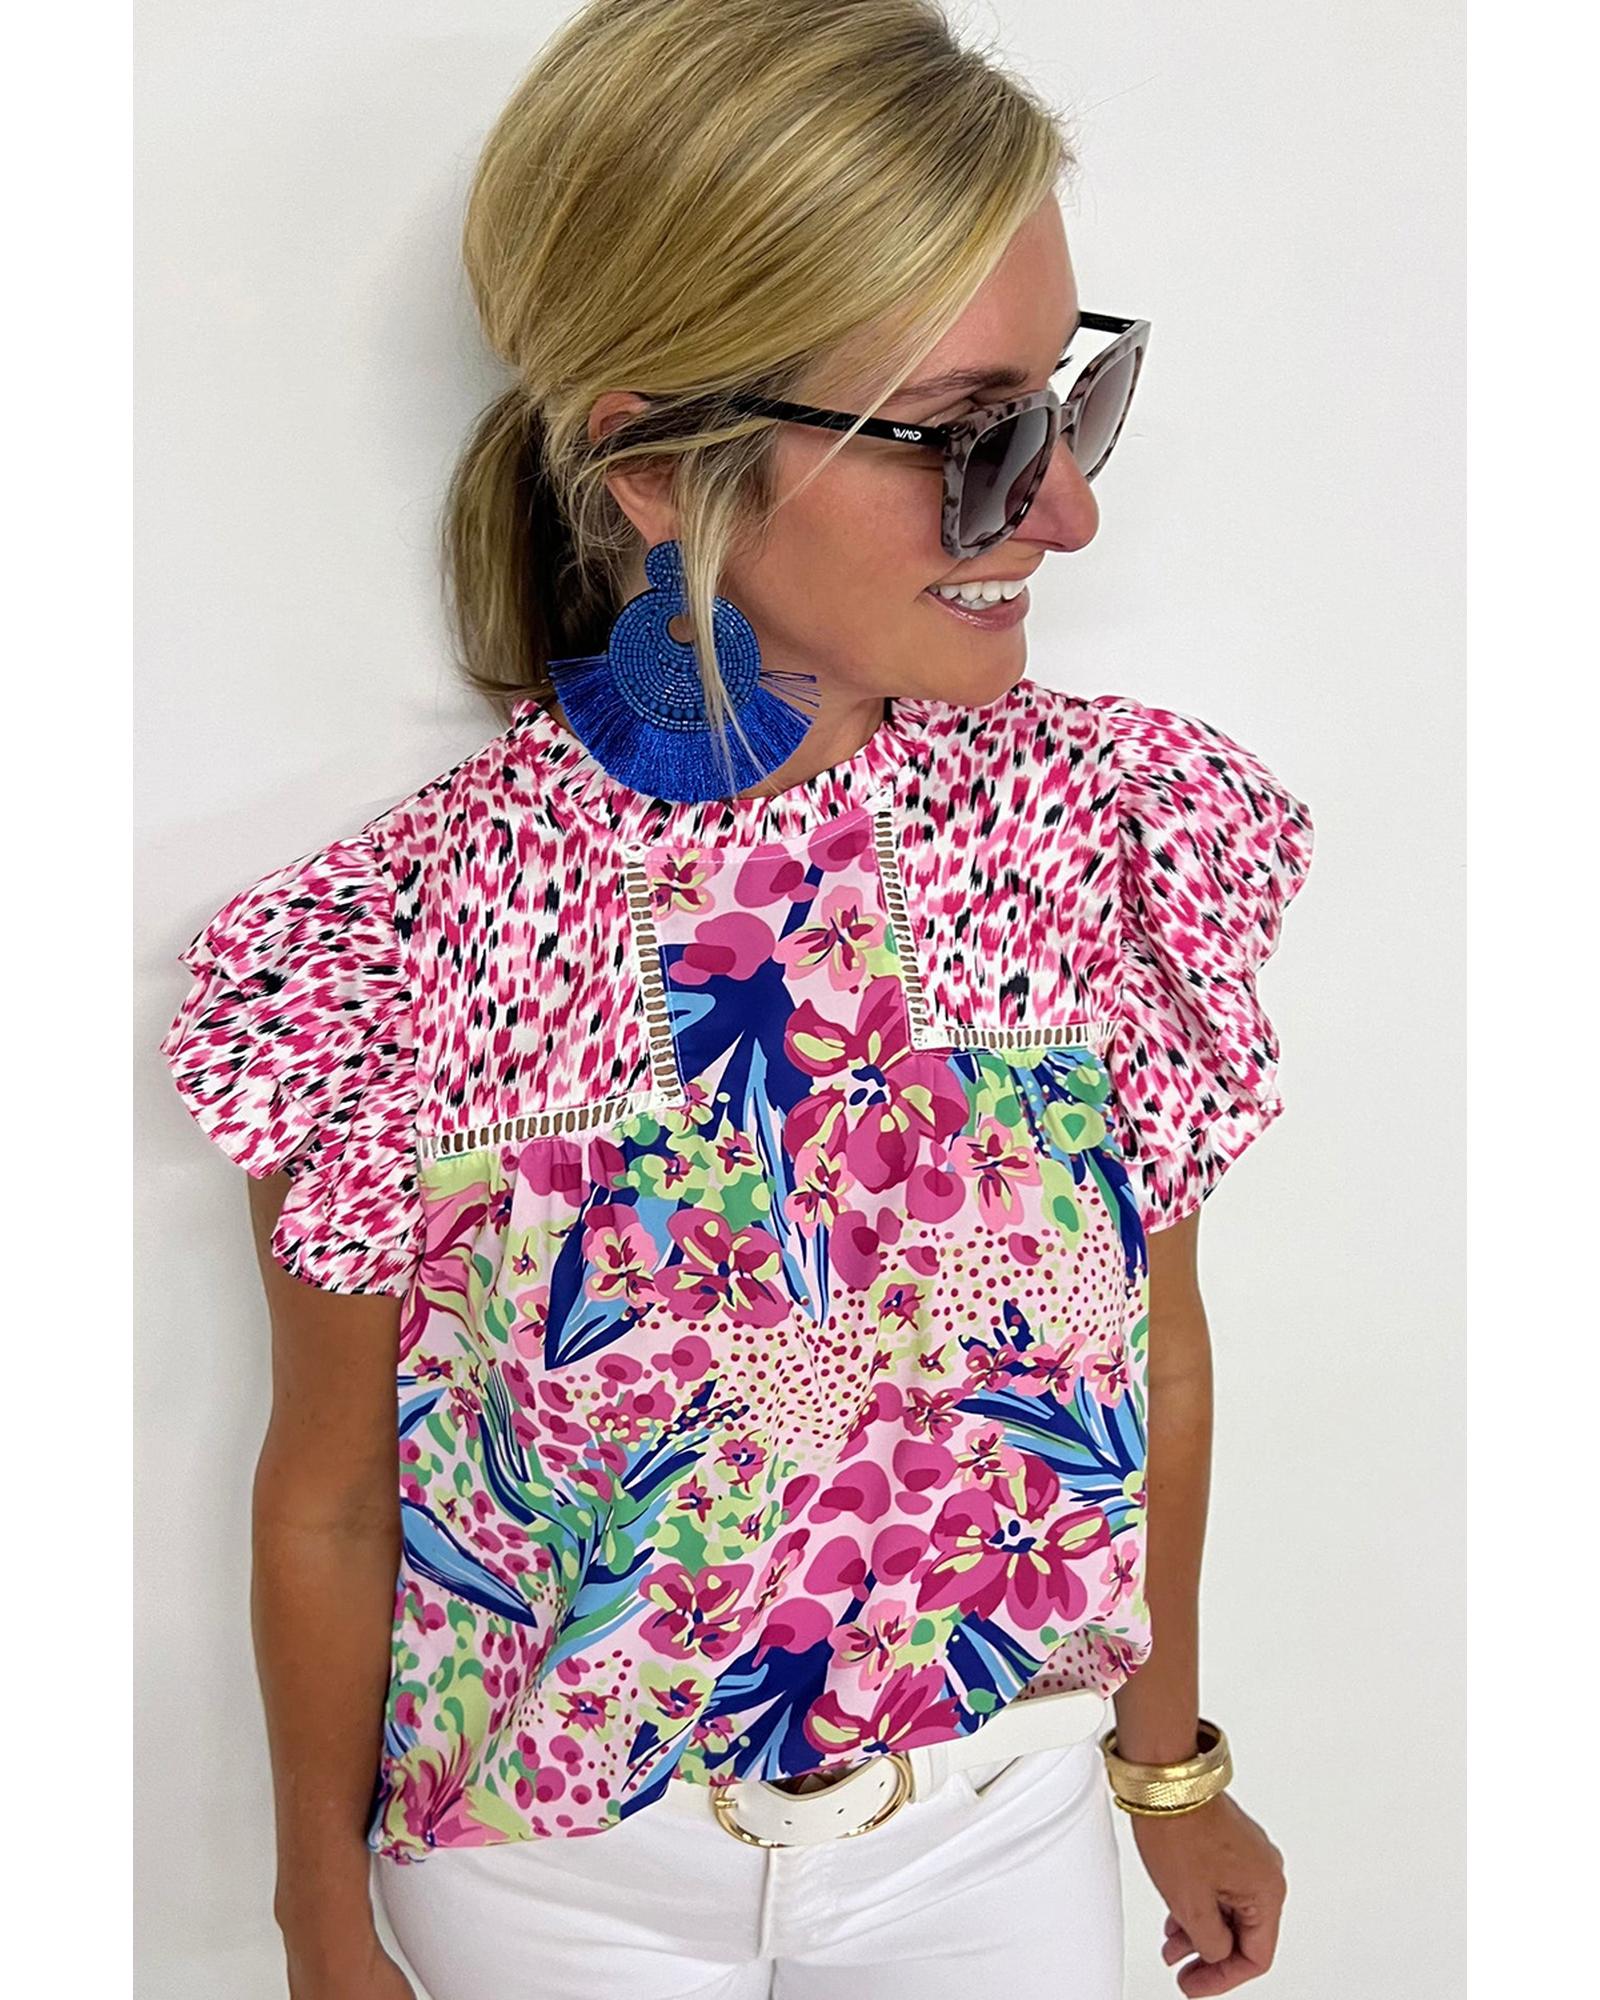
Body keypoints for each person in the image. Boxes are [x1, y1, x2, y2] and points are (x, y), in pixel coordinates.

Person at [158, 2, 1314, 1995]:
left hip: (997, 1834)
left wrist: (1168, 1769)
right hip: (552, 1888)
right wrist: (316, 1915)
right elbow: (334, 1496)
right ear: (656, 467)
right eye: (970, 436)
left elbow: (1155, 1354)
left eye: (1065, 404)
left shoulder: (1098, 839)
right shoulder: (404, 942)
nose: (1064, 512)